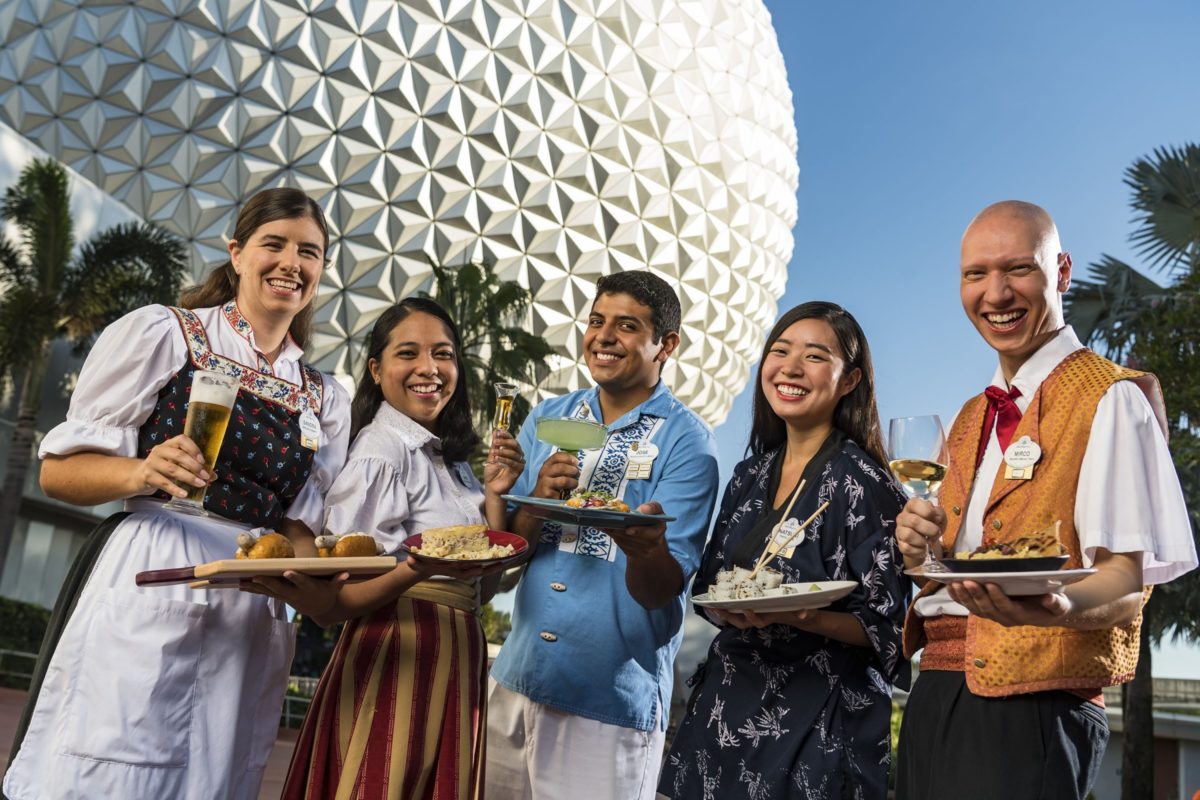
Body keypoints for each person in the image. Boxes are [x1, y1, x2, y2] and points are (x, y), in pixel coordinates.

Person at [2, 188, 351, 800]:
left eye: (309, 252)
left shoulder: (324, 395)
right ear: (237, 253)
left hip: (251, 599)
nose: (291, 263)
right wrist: (141, 471)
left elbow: (300, 524)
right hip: (156, 563)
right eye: (274, 244)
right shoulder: (167, 334)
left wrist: (314, 571)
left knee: (213, 778)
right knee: (112, 765)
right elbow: (60, 471)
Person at [894, 200, 1197, 800]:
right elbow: (952, 565)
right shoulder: (969, 415)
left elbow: (1128, 582)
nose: (996, 293)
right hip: (934, 692)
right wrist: (921, 545)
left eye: (1018, 270)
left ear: (1061, 272)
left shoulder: (1112, 399)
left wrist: (1057, 605)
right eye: (976, 274)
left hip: (1032, 711)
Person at [252, 297, 525, 800]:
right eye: (409, 354)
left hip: (456, 649)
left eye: (443, 354)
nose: (430, 369)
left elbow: (477, 592)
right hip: (396, 652)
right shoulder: (381, 453)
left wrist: (493, 496)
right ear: (376, 369)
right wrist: (418, 570)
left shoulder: (450, 461)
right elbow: (340, 602)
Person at [657, 301, 910, 799]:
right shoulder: (749, 475)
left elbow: (889, 629)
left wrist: (802, 615)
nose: (790, 368)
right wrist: (737, 611)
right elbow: (710, 585)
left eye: (815, 356)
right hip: (726, 710)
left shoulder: (866, 484)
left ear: (850, 380)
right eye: (780, 351)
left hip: (819, 723)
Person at [486, 271, 720, 800]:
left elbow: (664, 590)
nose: (603, 336)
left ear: (667, 344)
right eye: (596, 321)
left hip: (609, 705)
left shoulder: (688, 443)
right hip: (515, 679)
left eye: (626, 325)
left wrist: (646, 548)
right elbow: (507, 560)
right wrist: (536, 501)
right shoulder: (549, 417)